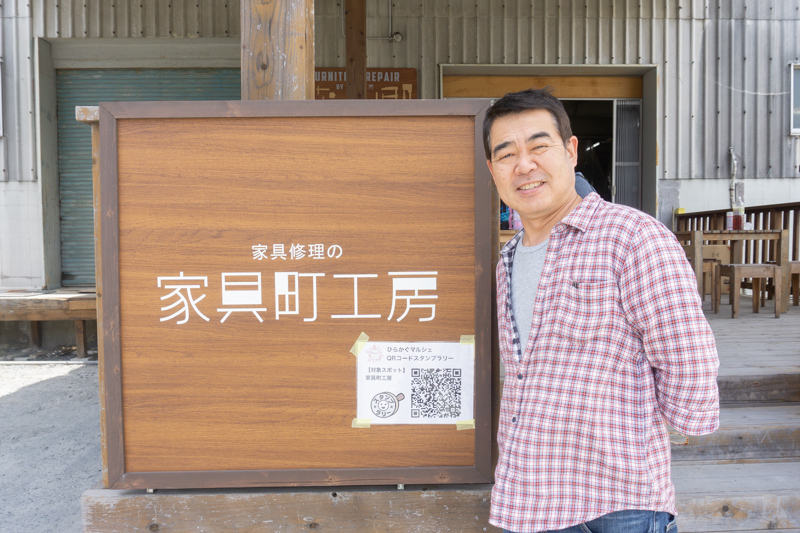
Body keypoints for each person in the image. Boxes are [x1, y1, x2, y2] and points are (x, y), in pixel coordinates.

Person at [483, 88, 719, 533]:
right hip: (530, 498)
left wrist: (661, 428)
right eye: (506, 154)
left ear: (571, 151)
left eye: (538, 146)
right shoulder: (508, 259)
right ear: (492, 169)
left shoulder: (632, 237)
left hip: (616, 506)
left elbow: (688, 356)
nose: (524, 165)